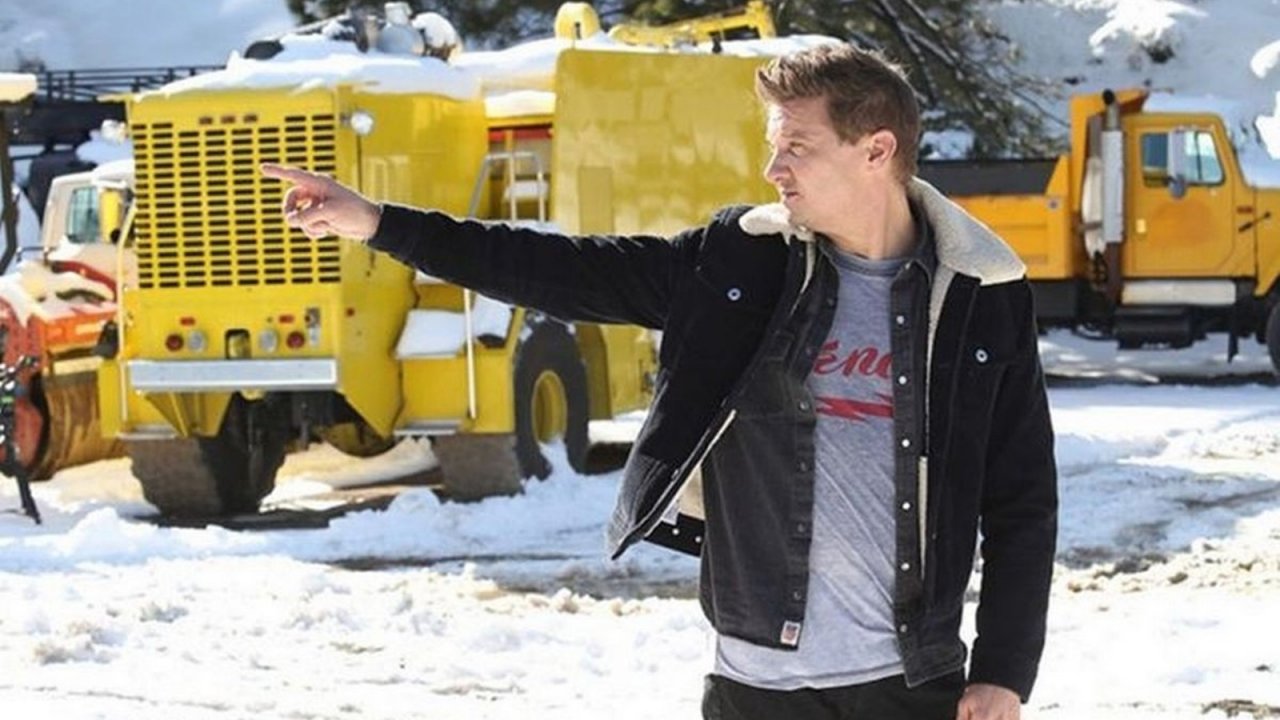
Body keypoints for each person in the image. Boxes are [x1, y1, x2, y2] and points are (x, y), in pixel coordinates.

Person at [262, 42, 1057, 720]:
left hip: (913, 686)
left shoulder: (981, 295)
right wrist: (380, 224)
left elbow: (1021, 494)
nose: (772, 169)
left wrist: (1004, 669)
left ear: (876, 151)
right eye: (773, 145)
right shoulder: (743, 264)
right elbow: (561, 269)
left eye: (797, 147)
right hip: (758, 686)